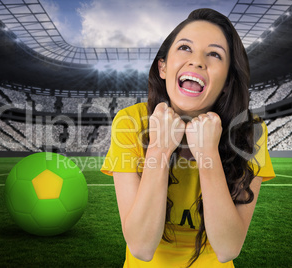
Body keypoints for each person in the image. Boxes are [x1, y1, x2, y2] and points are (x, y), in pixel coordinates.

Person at [101, 8, 275, 268]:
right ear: (163, 67)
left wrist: (208, 155)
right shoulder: (130, 122)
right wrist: (159, 149)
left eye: (214, 54)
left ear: (227, 81)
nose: (197, 61)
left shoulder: (250, 131)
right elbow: (141, 246)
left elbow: (228, 248)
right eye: (185, 48)